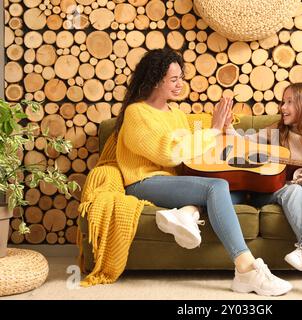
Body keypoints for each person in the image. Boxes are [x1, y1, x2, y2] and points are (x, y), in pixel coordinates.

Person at [115, 47, 292, 296]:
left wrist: (222, 127)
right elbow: (170, 153)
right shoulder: (137, 113)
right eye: (174, 79)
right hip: (144, 181)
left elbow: (196, 144)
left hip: (174, 181)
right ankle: (246, 268)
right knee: (216, 187)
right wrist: (213, 128)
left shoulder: (175, 113)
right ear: (155, 80)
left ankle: (188, 212)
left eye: (181, 79)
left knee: (233, 189)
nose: (180, 85)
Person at [226, 82, 302, 271]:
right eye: (283, 102)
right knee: (292, 189)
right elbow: (243, 143)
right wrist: (226, 125)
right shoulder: (275, 131)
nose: (282, 107)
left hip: (295, 191)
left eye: (289, 102)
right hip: (268, 191)